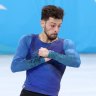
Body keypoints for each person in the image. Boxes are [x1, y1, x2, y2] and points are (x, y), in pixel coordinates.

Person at [11, 5, 81, 96]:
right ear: (42, 23)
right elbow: (15, 66)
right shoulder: (28, 40)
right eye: (52, 25)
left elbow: (76, 62)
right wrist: (42, 60)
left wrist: (50, 54)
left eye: (59, 26)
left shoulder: (66, 43)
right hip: (28, 92)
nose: (56, 30)